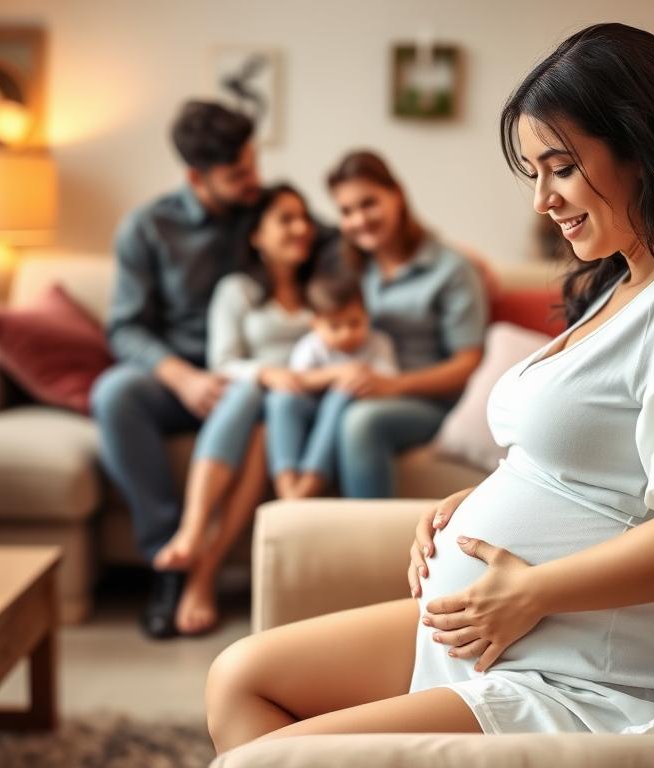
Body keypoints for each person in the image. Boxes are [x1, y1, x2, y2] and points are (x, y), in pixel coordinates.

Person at [203, 22, 654, 753]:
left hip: (580, 675)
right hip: (506, 631)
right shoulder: (625, 287)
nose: (542, 201)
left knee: (274, 750)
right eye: (534, 174)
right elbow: (598, 459)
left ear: (643, 149)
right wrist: (476, 503)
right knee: (240, 677)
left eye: (561, 167)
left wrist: (535, 590)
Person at [91, 101, 335, 639]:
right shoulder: (149, 228)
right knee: (114, 394)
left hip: (247, 381)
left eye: (253, 163)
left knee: (249, 396)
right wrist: (183, 377)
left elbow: (342, 236)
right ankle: (168, 563)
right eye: (238, 174)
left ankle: (195, 558)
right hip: (177, 378)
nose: (254, 180)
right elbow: (125, 328)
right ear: (195, 177)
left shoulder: (261, 209)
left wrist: (441, 252)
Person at [317, 150, 489, 498]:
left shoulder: (451, 268)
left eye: (369, 203)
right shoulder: (346, 267)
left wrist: (391, 386)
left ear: (396, 195)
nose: (359, 220)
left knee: (361, 421)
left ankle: (365, 548)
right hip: (353, 390)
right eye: (346, 211)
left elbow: (468, 362)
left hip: (429, 402)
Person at [266, 273, 399, 499]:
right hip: (311, 409)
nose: (347, 333)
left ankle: (308, 484)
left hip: (345, 411)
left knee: (341, 393)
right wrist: (338, 374)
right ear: (315, 324)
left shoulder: (379, 343)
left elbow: (387, 383)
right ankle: (287, 486)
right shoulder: (311, 345)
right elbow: (297, 379)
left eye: (355, 323)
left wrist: (354, 383)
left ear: (367, 316)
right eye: (335, 326)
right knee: (280, 400)